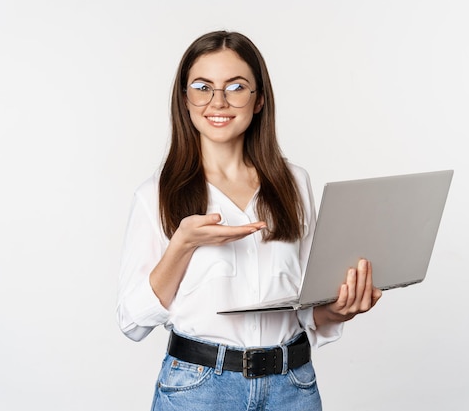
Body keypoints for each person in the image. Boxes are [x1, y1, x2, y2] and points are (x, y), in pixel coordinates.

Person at [117, 30, 382, 411]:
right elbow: (132, 321)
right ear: (185, 99)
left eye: (236, 86)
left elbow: (305, 307)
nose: (218, 101)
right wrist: (183, 244)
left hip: (293, 385)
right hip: (199, 390)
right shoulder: (155, 195)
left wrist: (339, 309)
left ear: (258, 100)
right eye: (202, 87)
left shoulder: (294, 182)